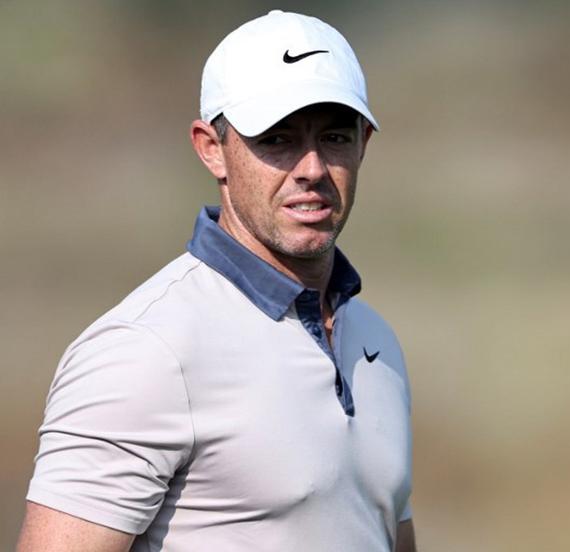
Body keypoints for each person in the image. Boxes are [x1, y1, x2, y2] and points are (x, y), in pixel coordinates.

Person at [16, 10, 415, 552]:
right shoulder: (145, 350)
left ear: (363, 143)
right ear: (211, 148)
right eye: (277, 139)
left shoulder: (376, 342)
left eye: (335, 136)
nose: (312, 168)